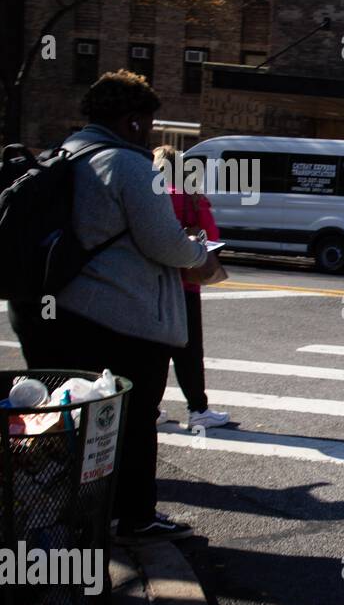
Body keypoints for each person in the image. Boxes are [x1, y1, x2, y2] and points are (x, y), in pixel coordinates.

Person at [7, 71, 216, 542]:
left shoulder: (65, 155)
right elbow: (165, 243)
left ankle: (70, 514)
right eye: (148, 120)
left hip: (51, 311)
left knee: (70, 417)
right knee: (135, 416)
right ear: (133, 120)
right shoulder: (129, 166)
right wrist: (200, 252)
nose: (150, 129)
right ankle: (134, 516)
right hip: (116, 318)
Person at [154, 145, 230, 431]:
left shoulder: (153, 194)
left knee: (158, 350)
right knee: (189, 351)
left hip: (156, 284)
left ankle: (151, 408)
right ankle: (197, 409)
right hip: (186, 285)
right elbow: (211, 236)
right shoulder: (192, 197)